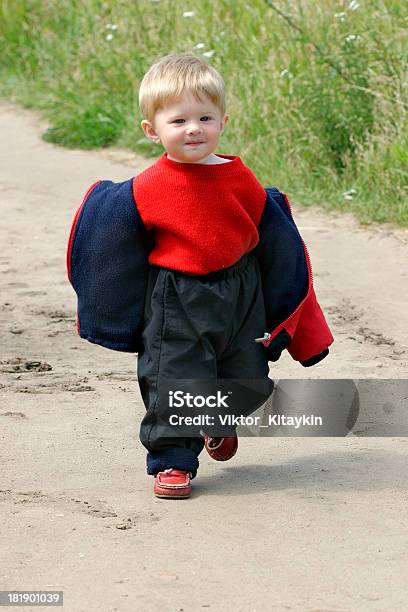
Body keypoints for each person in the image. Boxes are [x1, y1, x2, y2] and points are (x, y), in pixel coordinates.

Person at [67, 52, 333, 500]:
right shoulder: (146, 187)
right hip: (178, 297)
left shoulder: (241, 179)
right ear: (153, 131)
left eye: (205, 117)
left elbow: (272, 238)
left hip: (242, 295)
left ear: (223, 122)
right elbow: (112, 243)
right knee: (174, 375)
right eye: (179, 121)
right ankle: (172, 460)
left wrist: (291, 309)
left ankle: (216, 419)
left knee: (248, 376)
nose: (194, 129)